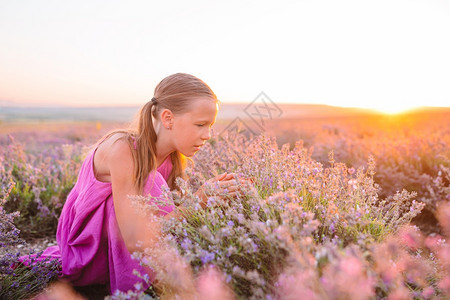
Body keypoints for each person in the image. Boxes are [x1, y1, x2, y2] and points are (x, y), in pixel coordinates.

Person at [27, 73, 242, 293]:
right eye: (200, 124)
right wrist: (199, 201)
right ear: (168, 118)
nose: (208, 135)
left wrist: (220, 198)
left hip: (128, 244)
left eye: (211, 126)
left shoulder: (175, 159)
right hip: (91, 249)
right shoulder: (123, 149)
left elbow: (175, 220)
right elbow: (134, 238)